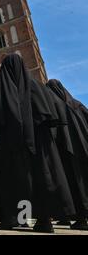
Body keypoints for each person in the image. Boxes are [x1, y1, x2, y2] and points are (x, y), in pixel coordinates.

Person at [0, 54, 75, 233]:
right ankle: (44, 220)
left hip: (10, 143)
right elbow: (54, 113)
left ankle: (15, 218)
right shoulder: (36, 86)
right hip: (37, 143)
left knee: (13, 181)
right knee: (41, 178)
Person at [47, 79, 88, 230]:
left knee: (74, 184)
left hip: (66, 149)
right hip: (83, 149)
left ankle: (80, 218)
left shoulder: (55, 105)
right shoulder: (78, 104)